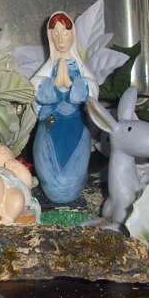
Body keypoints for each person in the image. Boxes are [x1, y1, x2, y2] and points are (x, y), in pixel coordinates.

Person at [31, 11, 99, 203]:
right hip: (50, 126)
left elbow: (93, 92)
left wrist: (73, 85)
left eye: (65, 33)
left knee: (69, 179)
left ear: (73, 35)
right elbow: (32, 91)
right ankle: (51, 187)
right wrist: (53, 86)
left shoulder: (82, 68)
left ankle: (74, 187)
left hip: (76, 126)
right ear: (50, 37)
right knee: (51, 176)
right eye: (56, 34)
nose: (61, 39)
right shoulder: (47, 68)